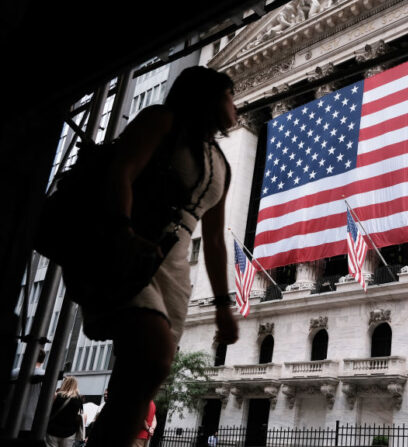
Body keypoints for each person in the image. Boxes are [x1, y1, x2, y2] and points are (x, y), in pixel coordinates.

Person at [83, 66, 240, 447]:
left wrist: (223, 304)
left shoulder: (221, 162)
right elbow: (121, 171)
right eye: (229, 96)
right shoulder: (160, 121)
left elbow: (215, 240)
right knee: (155, 357)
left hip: (174, 270)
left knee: (138, 384)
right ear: (209, 96)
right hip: (133, 247)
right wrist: (122, 232)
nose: (234, 106)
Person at [46, 376, 84, 447]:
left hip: (52, 430)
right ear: (75, 385)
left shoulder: (56, 396)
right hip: (69, 432)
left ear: (64, 384)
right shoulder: (79, 399)